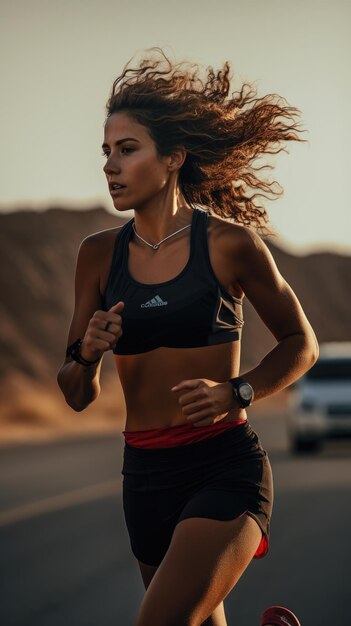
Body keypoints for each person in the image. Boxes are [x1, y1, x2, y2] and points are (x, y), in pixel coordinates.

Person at [57, 49, 315, 626]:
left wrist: (239, 391)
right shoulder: (98, 255)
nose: (110, 166)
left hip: (222, 467)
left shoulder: (229, 245)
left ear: (172, 157)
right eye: (106, 152)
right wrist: (87, 353)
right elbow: (75, 392)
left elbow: (302, 342)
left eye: (127, 150)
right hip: (143, 477)